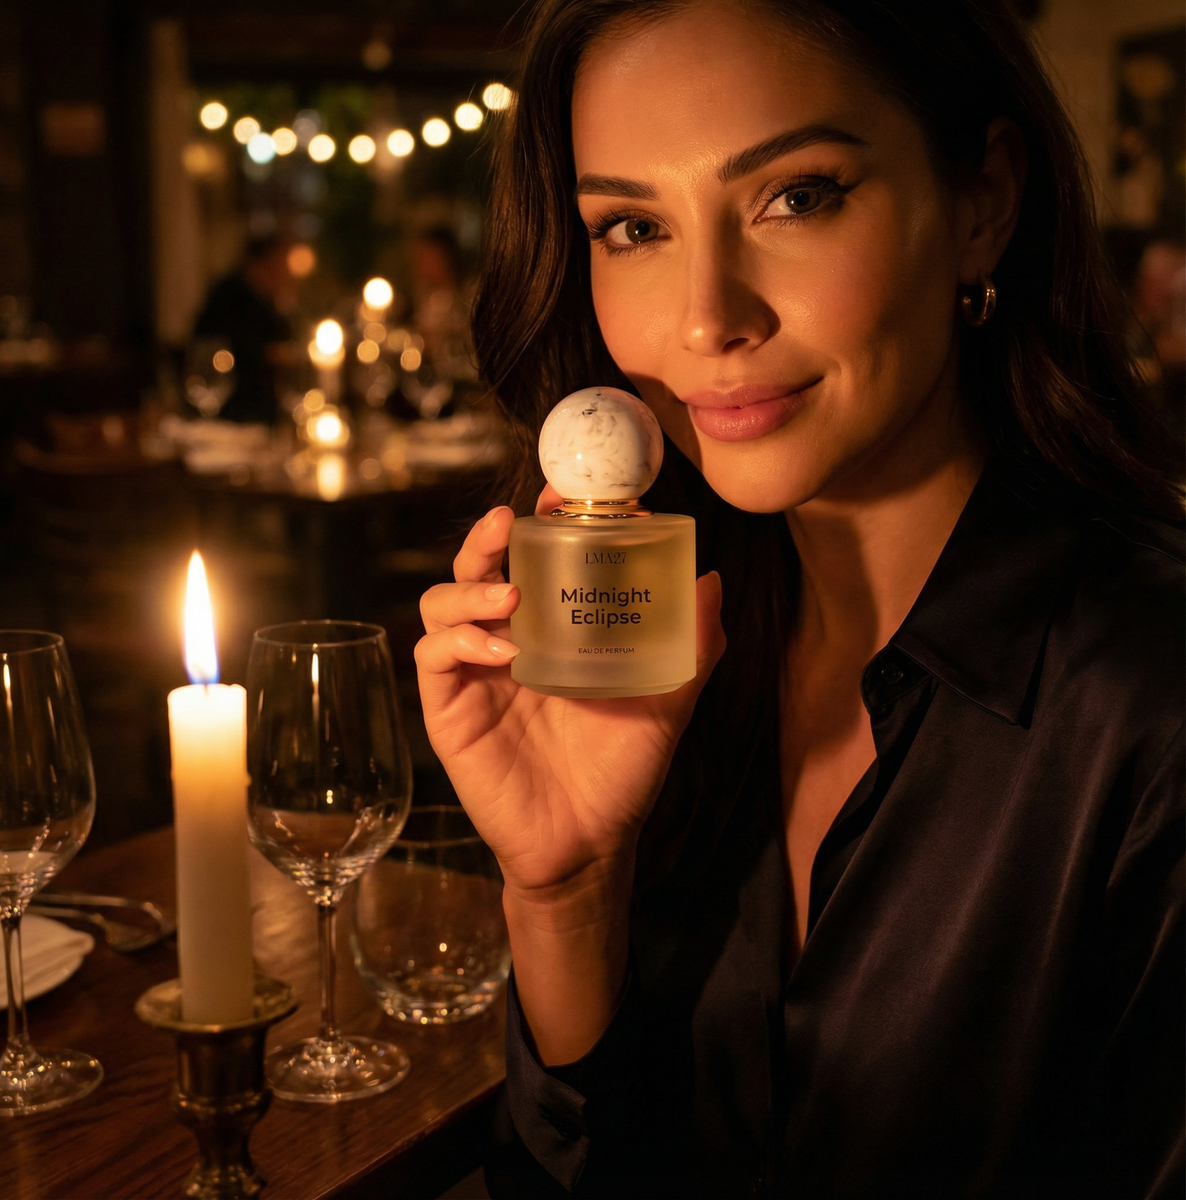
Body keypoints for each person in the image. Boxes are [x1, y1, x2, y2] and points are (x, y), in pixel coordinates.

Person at [415, 2, 1184, 1195]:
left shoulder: (1152, 712)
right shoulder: (665, 654)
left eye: (798, 195)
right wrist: (562, 892)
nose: (707, 318)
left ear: (982, 202)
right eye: (632, 227)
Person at [193, 234, 294, 423]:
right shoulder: (229, 297)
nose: (285, 276)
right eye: (279, 268)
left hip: (261, 413)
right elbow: (226, 350)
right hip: (235, 411)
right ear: (258, 265)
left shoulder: (268, 301)